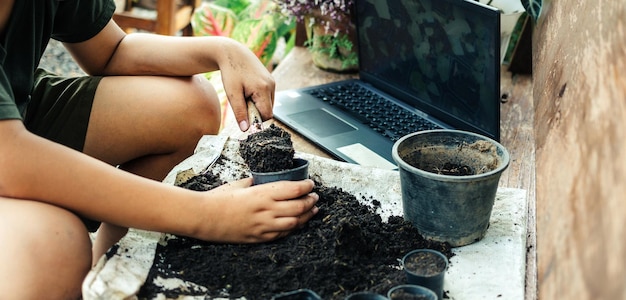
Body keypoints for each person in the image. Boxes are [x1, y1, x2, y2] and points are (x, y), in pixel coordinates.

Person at [0, 0, 320, 299]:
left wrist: (223, 51)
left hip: (17, 113)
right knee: (53, 248)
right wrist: (207, 214)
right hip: (9, 149)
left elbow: (111, 51)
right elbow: (12, 160)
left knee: (191, 105)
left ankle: (111, 276)